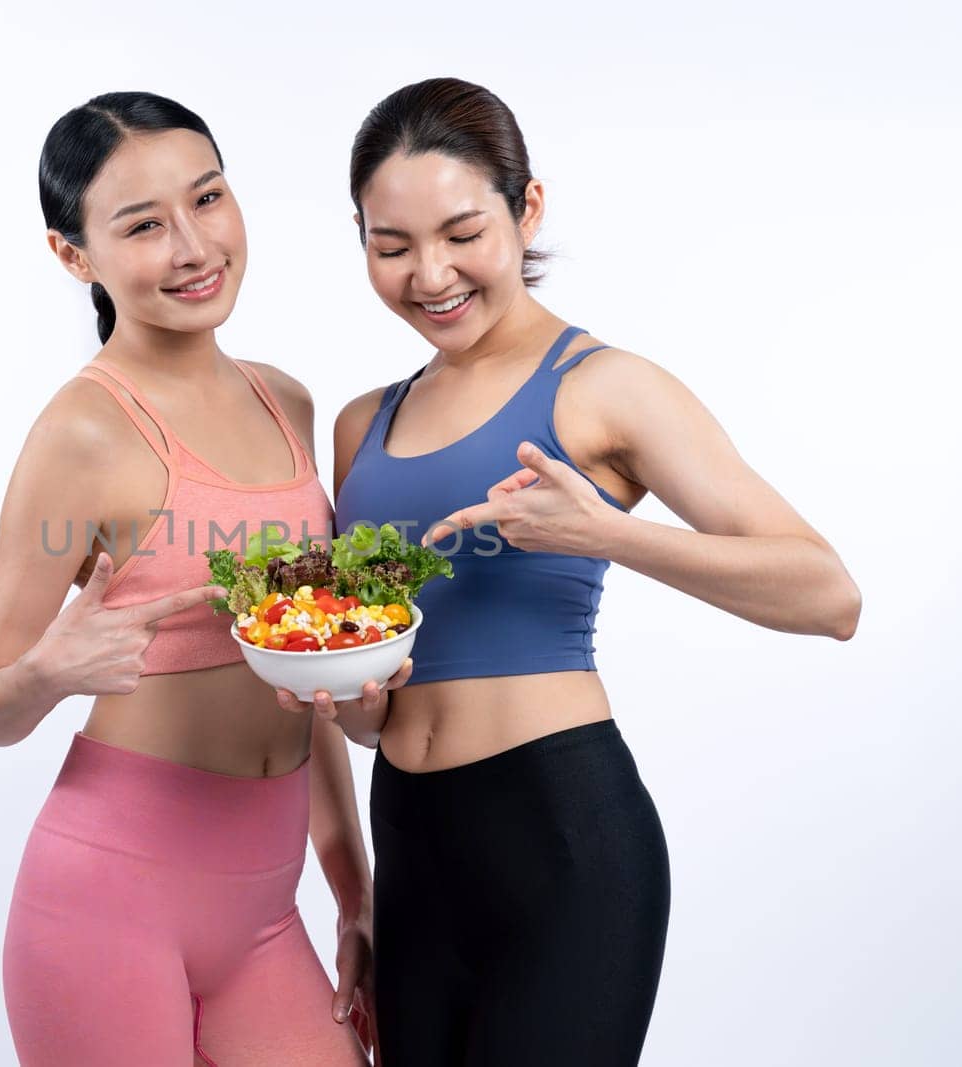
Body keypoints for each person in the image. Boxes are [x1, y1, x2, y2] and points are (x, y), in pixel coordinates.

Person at [280, 77, 862, 1065]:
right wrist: (354, 701)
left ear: (527, 208)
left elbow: (827, 592)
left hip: (561, 839)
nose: (430, 274)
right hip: (411, 847)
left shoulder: (604, 388)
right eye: (392, 246)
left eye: (463, 232)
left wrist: (608, 533)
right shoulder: (358, 423)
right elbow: (374, 701)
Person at [0, 92, 388, 1065]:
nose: (193, 246)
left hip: (266, 913)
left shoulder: (286, 402)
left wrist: (354, 898)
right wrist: (47, 671)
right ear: (75, 256)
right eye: (143, 224)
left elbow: (302, 685)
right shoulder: (83, 433)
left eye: (209, 199)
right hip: (108, 904)